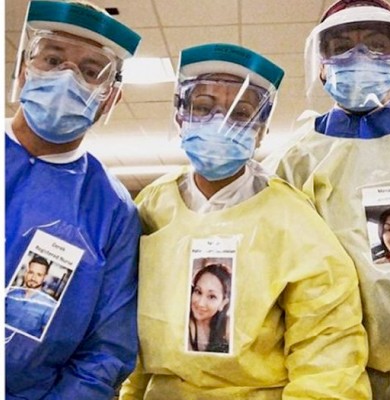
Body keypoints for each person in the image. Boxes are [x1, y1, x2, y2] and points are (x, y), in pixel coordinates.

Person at [119, 43, 370, 399]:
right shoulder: (152, 208)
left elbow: (328, 356)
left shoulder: (294, 222)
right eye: (203, 108)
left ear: (262, 129)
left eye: (241, 114)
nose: (219, 122)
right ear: (180, 115)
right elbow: (131, 345)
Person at [261, 1, 390, 397]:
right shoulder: (293, 161)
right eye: (341, 47)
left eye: (376, 45)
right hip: (329, 376)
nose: (359, 57)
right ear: (321, 63)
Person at [5, 0, 142, 398]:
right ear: (24, 69)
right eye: (52, 58)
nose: (67, 78)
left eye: (88, 71)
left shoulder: (113, 212)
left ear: (110, 98)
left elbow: (105, 352)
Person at [5, 255, 57, 339]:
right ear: (26, 272)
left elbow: (45, 337)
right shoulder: (11, 294)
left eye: (39, 275)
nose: (33, 278)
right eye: (31, 272)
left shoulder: (49, 306)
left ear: (45, 277)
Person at [188, 264, 230, 353]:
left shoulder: (228, 326)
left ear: (223, 303)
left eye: (211, 296)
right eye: (198, 292)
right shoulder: (186, 326)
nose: (200, 303)